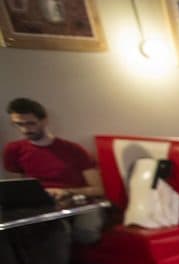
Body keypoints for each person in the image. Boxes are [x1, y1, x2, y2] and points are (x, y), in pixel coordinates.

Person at [4, 97, 105, 245]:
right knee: (46, 230)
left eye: (31, 123)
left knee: (84, 234)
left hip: (76, 202)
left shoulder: (73, 150)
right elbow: (15, 188)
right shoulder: (13, 149)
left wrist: (67, 191)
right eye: (19, 124)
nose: (25, 129)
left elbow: (98, 189)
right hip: (41, 205)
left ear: (44, 121)